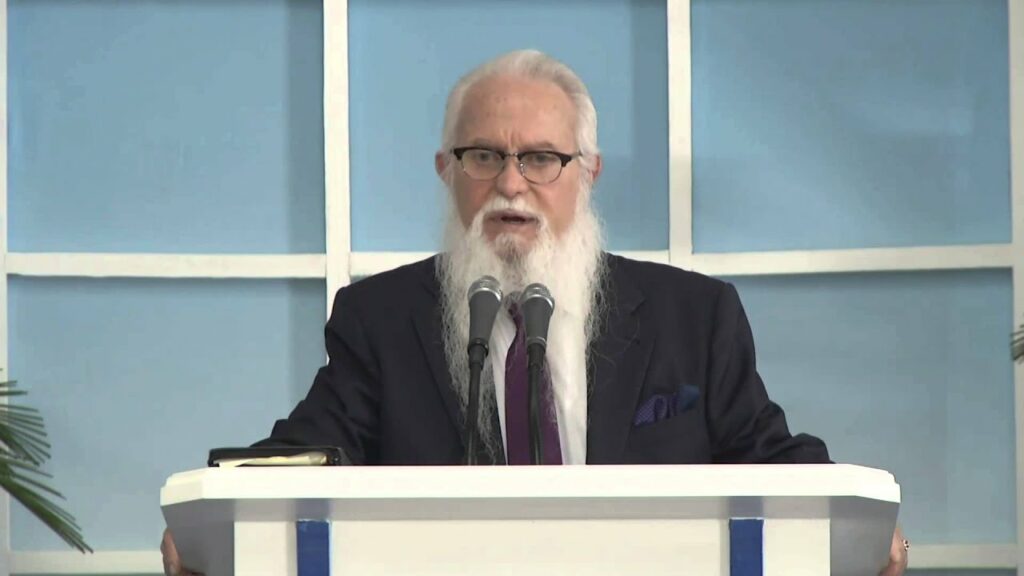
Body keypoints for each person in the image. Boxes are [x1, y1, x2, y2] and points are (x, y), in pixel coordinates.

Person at [162, 49, 908, 576]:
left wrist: (858, 528)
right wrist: (218, 527)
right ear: (446, 171)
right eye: (484, 156)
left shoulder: (694, 315)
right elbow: (309, 455)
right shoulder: (380, 319)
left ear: (588, 173)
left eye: (542, 158)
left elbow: (766, 456)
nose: (511, 184)